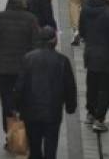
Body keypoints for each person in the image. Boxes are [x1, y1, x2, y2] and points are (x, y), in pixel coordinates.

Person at [15, 26, 77, 159]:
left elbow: (20, 84)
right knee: (51, 146)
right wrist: (71, 106)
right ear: (54, 41)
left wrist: (17, 106)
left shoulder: (28, 58)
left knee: (34, 146)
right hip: (53, 110)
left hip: (31, 110)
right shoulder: (62, 60)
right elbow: (69, 86)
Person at [0, 0, 40, 133]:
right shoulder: (31, 19)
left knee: (7, 101)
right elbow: (37, 45)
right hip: (25, 69)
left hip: (5, 68)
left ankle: (10, 134)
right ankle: (24, 132)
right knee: (25, 100)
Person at [78, 0, 109, 133]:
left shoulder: (86, 8)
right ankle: (99, 119)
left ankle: (90, 113)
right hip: (106, 56)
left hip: (90, 54)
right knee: (108, 89)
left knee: (92, 85)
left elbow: (81, 30)